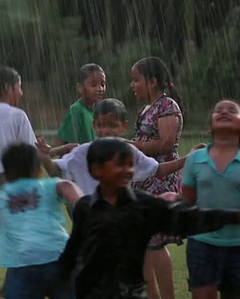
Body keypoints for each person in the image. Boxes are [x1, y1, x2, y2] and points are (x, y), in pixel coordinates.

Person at [58, 138, 240, 299]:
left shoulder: (143, 206)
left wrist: (231, 216)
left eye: (131, 165)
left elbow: (186, 219)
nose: (128, 170)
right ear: (96, 170)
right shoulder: (85, 208)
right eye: (119, 164)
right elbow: (73, 252)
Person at [0, 66, 75, 299]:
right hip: (9, 183)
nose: (21, 93)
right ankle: (19, 287)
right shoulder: (17, 116)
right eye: (19, 87)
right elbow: (33, 154)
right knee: (23, 237)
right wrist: (61, 151)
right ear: (8, 88)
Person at [0, 143, 81, 299]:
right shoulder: (48, 185)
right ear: (38, 171)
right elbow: (66, 186)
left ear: (5, 176)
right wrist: (79, 201)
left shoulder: (0, 196)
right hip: (60, 257)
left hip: (24, 264)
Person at [40, 98, 201, 196]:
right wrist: (45, 157)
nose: (106, 131)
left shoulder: (128, 151)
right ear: (94, 126)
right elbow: (56, 171)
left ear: (123, 127)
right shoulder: (83, 153)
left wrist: (188, 158)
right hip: (92, 220)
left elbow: (157, 169)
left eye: (113, 125)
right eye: (101, 125)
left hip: (120, 221)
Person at [129, 56, 184, 299]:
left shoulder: (167, 106)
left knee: (155, 242)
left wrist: (131, 146)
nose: (133, 85)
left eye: (136, 79)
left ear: (152, 82)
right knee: (143, 245)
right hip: (144, 180)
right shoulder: (146, 109)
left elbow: (166, 143)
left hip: (161, 180)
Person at [181, 100, 240, 299]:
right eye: (218, 111)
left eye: (232, 111)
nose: (224, 112)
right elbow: (188, 202)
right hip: (202, 244)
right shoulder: (194, 159)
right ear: (210, 126)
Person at [53, 63, 106, 146]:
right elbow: (59, 143)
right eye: (93, 85)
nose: (100, 89)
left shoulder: (98, 111)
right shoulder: (77, 110)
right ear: (80, 88)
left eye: (102, 84)